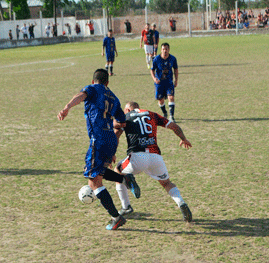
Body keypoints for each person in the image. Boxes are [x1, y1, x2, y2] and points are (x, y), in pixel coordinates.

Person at [57, 69, 140, 231]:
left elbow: (81, 96)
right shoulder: (114, 98)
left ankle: (116, 217)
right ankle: (125, 179)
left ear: (93, 81)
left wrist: (67, 107)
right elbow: (122, 123)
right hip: (110, 139)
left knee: (94, 182)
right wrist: (113, 145)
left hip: (99, 139)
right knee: (99, 171)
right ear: (107, 83)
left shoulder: (93, 89)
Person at [113, 101, 193, 222]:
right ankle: (181, 203)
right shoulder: (152, 115)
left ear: (128, 110)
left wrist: (111, 153)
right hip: (156, 157)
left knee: (117, 171)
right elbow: (174, 127)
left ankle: (126, 206)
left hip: (137, 157)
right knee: (166, 183)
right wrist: (183, 139)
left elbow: (116, 133)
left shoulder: (125, 118)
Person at [151, 42, 179, 122]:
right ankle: (165, 112)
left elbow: (176, 69)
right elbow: (152, 70)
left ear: (169, 49)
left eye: (166, 49)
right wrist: (154, 78)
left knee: (171, 97)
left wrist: (176, 80)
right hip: (159, 83)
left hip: (169, 82)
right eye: (163, 49)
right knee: (160, 100)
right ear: (161, 50)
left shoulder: (173, 58)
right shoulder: (156, 59)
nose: (165, 51)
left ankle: (171, 116)